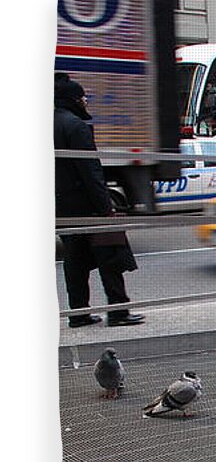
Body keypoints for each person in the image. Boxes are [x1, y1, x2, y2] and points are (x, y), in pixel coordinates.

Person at [55, 73, 144, 327]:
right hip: (88, 205)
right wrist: (106, 207)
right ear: (73, 99)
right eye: (83, 97)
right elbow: (90, 170)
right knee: (110, 255)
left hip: (62, 206)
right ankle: (118, 312)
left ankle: (79, 314)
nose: (86, 102)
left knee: (75, 259)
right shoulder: (76, 126)